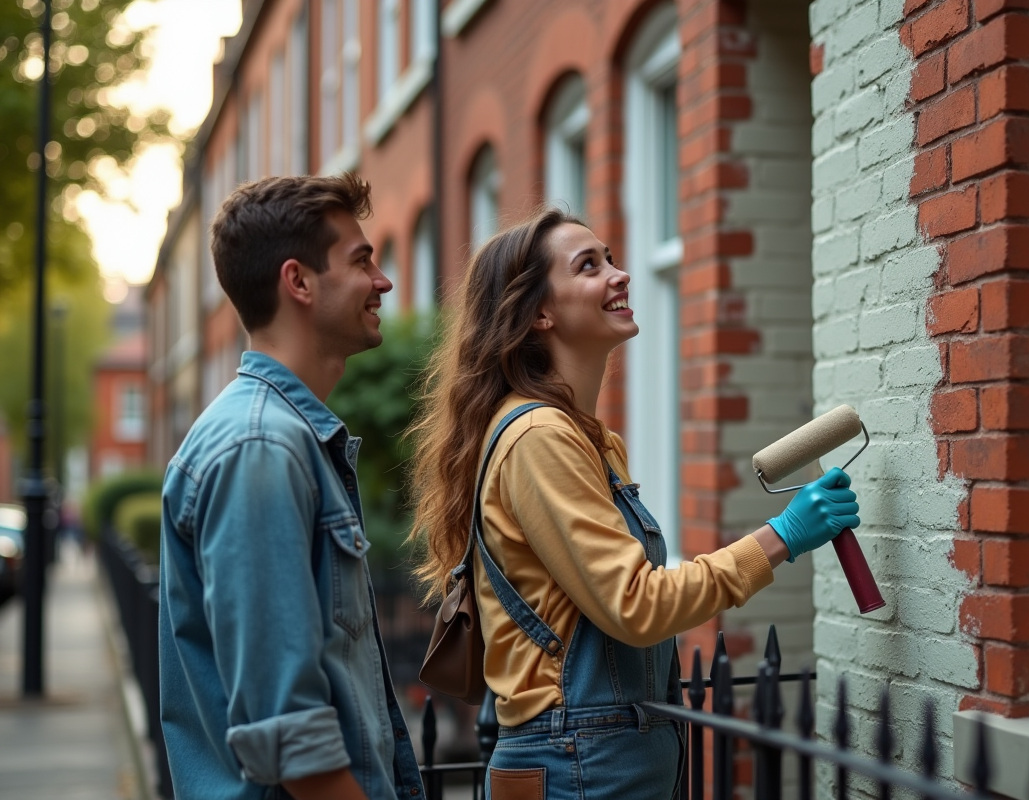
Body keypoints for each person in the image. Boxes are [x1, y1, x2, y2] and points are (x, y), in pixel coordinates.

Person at [407, 208, 859, 800]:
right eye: (589, 266)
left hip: (605, 753)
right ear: (539, 313)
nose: (619, 275)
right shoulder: (540, 436)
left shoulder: (589, 439)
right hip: (580, 760)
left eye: (612, 259)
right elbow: (635, 605)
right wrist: (782, 537)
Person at [159, 174, 425, 800]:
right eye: (362, 261)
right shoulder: (261, 448)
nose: (382, 282)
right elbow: (291, 737)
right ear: (298, 281)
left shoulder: (282, 438)